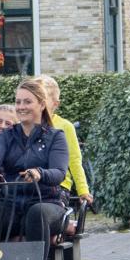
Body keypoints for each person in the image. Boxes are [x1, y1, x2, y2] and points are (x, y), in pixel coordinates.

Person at [0, 78, 69, 259]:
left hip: (47, 203)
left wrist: (40, 173)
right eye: (18, 102)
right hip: (12, 203)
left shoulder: (56, 136)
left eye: (27, 102)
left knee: (37, 214)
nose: (21, 107)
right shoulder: (7, 135)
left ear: (42, 104)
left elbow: (59, 173)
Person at [37, 75, 93, 206]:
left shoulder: (65, 126)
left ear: (55, 104)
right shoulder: (25, 125)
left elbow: (74, 160)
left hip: (58, 186)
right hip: (31, 184)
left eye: (42, 99)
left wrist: (83, 190)